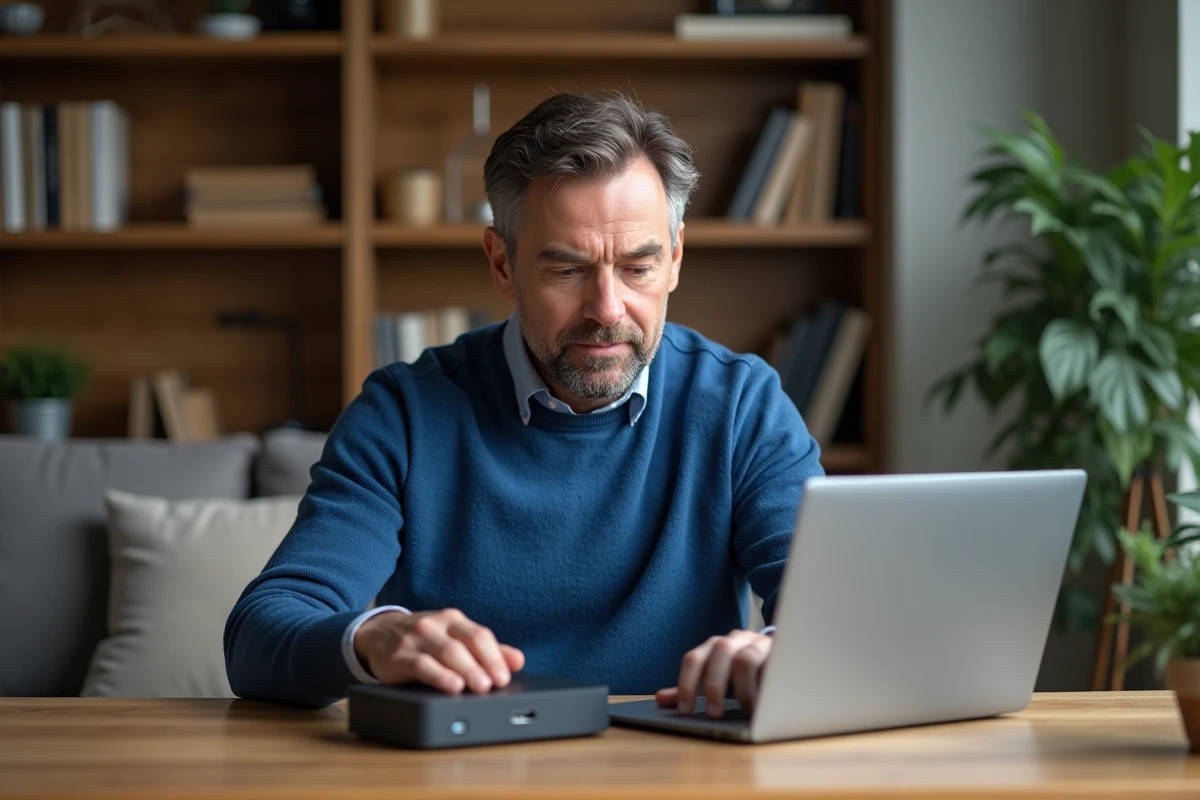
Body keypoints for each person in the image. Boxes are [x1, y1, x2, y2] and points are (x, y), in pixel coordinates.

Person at [224, 91, 824, 718]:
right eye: (567, 271)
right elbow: (258, 635)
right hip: (470, 762)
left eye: (637, 268)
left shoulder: (741, 406)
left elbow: (835, 609)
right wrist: (372, 637)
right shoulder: (403, 414)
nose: (607, 310)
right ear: (502, 263)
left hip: (679, 760)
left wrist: (782, 650)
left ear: (674, 259)